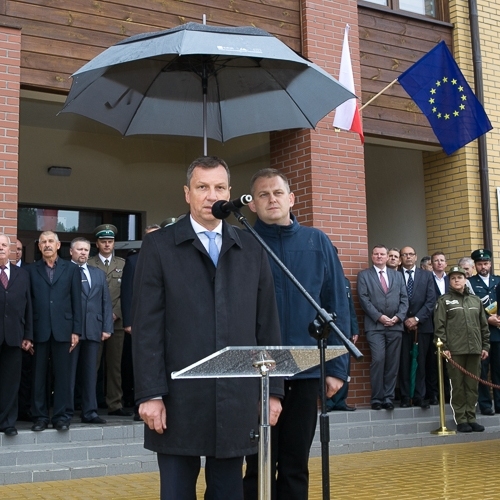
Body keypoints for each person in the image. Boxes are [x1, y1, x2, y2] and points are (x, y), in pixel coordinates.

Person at [131, 156, 283, 500]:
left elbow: (267, 325)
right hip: (177, 398)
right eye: (202, 187)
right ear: (187, 193)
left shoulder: (251, 249)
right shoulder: (159, 246)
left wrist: (272, 390)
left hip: (236, 397)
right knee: (176, 493)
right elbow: (146, 329)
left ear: (229, 192)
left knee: (229, 492)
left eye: (218, 187)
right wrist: (150, 394)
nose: (209, 194)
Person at [243, 168, 350, 500]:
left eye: (277, 193)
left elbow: (336, 306)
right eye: (263, 194)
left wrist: (335, 368)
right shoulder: (242, 242)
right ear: (251, 204)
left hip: (304, 369)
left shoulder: (317, 242)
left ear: (291, 198)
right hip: (256, 371)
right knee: (256, 463)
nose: (271, 199)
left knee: (295, 464)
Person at [27, 231, 82, 431]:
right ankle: (40, 417)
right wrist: (28, 334)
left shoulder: (71, 269)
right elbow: (29, 304)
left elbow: (77, 301)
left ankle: (60, 417)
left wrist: (76, 330)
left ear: (58, 245)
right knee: (39, 377)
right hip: (39, 329)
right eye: (43, 242)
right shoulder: (31, 270)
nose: (47, 245)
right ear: (39, 246)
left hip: (64, 330)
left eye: (51, 241)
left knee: (62, 375)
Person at [434, 266, 489, 432]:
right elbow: (439, 326)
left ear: (465, 279)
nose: (457, 280)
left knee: (472, 386)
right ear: (449, 281)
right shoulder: (444, 301)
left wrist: (485, 346)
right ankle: (461, 419)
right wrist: (444, 347)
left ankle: (471, 417)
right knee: (457, 386)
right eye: (453, 278)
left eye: (460, 277)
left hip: (475, 350)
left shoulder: (475, 300)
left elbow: (483, 326)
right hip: (455, 351)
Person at [67, 237, 113, 424]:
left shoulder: (98, 273)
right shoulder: (64, 271)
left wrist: (107, 327)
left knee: (90, 373)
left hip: (94, 329)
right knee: (68, 374)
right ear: (71, 252)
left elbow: (105, 301)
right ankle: (66, 411)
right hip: (71, 332)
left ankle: (90, 411)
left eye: (86, 250)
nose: (83, 253)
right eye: (79, 249)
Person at [357, 245, 408, 410]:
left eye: (382, 254)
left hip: (395, 326)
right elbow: (363, 299)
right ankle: (377, 398)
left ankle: (388, 398)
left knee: (393, 363)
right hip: (375, 326)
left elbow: (404, 299)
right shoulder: (364, 275)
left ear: (388, 257)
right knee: (378, 359)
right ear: (372, 256)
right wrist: (380, 317)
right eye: (376, 254)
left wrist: (398, 317)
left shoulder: (397, 276)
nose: (379, 256)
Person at [88, 225, 131, 417]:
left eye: (110, 241)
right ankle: (90, 404)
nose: (107, 244)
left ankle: (115, 403)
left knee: (115, 366)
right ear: (97, 243)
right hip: (95, 322)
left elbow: (127, 293)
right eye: (103, 241)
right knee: (92, 365)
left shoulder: (123, 264)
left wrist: (115, 313)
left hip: (117, 322)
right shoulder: (89, 263)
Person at [121, 224, 161, 421]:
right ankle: (140, 404)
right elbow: (126, 291)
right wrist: (128, 321)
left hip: (161, 322)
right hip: (138, 322)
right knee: (138, 364)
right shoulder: (134, 261)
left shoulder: (168, 257)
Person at [0, 234, 33, 436]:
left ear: (10, 249)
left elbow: (28, 305)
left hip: (14, 336)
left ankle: (7, 423)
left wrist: (28, 335)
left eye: (4, 245)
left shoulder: (22, 274)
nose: (0, 248)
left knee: (11, 382)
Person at [398, 246, 436, 408]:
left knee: (421, 362)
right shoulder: (395, 275)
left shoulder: (427, 275)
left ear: (416, 257)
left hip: (423, 326)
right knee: (405, 362)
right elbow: (393, 300)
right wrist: (406, 319)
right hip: (402, 325)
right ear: (401, 258)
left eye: (411, 254)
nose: (408, 257)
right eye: (404, 255)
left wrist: (417, 318)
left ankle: (420, 396)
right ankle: (406, 396)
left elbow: (431, 300)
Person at [468, 249, 500, 416]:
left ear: (490, 264)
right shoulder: (470, 283)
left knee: (498, 369)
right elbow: (470, 307)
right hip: (481, 333)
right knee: (482, 370)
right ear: (475, 265)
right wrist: (487, 320)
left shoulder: (498, 280)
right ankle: (485, 404)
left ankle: (499, 404)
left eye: (486, 263)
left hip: (498, 332)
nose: (483, 266)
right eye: (480, 264)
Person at [327, 277, 358, 412]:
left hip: (344, 330)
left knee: (344, 366)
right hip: (327, 330)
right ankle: (328, 401)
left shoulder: (344, 281)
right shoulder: (324, 279)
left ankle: (340, 401)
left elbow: (350, 307)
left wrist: (354, 329)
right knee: (328, 365)